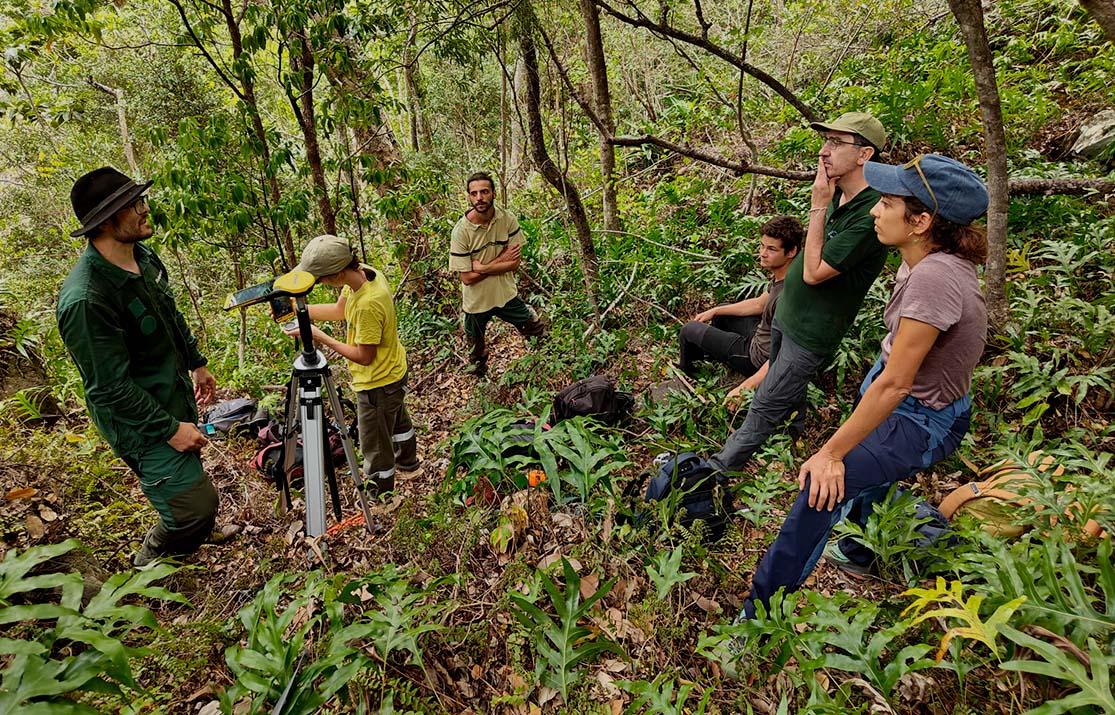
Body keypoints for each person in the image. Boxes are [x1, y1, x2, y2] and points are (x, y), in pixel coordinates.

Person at [734, 154, 989, 627]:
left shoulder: (934, 279)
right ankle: (862, 549)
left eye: (887, 202)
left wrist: (830, 453)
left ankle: (758, 618)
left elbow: (896, 384)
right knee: (864, 480)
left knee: (821, 487)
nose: (874, 209)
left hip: (922, 417)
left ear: (921, 221)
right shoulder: (920, 261)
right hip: (897, 394)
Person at [57, 166, 229, 567]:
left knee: (190, 478)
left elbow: (169, 314)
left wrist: (196, 362)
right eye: (135, 205)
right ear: (105, 221)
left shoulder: (142, 255)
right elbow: (108, 389)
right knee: (194, 506)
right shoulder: (86, 300)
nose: (145, 209)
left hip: (171, 393)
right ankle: (150, 562)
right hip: (139, 421)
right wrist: (169, 430)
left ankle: (194, 524)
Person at [709, 112, 889, 473]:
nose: (824, 151)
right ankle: (797, 432)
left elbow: (813, 272)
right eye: (825, 141)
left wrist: (818, 204)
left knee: (762, 404)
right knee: (788, 386)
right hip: (787, 316)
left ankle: (715, 470)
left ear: (864, 155)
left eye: (836, 143)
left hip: (809, 334)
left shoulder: (870, 215)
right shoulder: (841, 196)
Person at [285, 234, 419, 497]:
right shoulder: (365, 275)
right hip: (392, 371)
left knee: (376, 446)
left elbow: (364, 356)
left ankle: (381, 496)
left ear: (336, 274)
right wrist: (301, 309)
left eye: (321, 278)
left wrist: (320, 337)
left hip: (377, 382)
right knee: (397, 422)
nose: (321, 283)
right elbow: (338, 311)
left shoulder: (368, 305)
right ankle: (409, 464)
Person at [678, 216, 803, 398]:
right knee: (721, 312)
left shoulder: (788, 297)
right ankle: (713, 354)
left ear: (791, 252)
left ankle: (688, 372)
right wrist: (715, 311)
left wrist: (746, 386)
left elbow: (783, 355)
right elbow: (760, 303)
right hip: (762, 335)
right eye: (762, 246)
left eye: (771, 249)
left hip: (756, 358)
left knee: (689, 330)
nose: (762, 253)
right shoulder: (785, 275)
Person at [449, 171, 545, 377]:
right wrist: (501, 259)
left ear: (494, 193)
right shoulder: (461, 232)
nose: (479, 198)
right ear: (468, 196)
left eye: (484, 192)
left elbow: (514, 263)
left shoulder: (506, 219)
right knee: (476, 352)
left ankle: (545, 365)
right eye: (474, 193)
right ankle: (481, 385)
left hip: (505, 294)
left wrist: (482, 267)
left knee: (534, 329)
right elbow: (467, 278)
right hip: (476, 303)